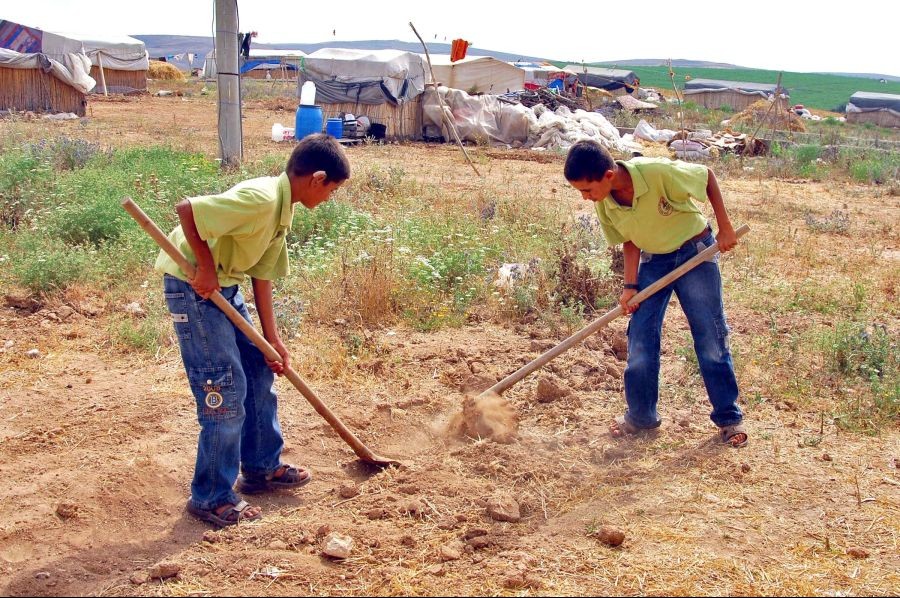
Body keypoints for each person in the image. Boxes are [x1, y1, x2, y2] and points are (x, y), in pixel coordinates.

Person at [155, 134, 351, 526]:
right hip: (193, 288)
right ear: (316, 178)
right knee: (224, 390)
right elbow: (188, 209)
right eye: (332, 189)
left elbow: (262, 274)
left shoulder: (283, 209)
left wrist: (271, 340)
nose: (330, 198)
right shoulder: (261, 199)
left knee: (261, 370)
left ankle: (261, 468)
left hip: (225, 287)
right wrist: (206, 268)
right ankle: (211, 496)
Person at [564, 140, 747, 448]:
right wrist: (630, 286)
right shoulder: (605, 202)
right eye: (580, 192)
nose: (585, 198)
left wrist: (725, 229)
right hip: (653, 261)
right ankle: (641, 417)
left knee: (710, 336)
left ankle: (729, 419)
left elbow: (707, 176)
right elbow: (630, 241)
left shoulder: (657, 172)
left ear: (608, 176)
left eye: (587, 190)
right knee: (641, 337)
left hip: (695, 252)